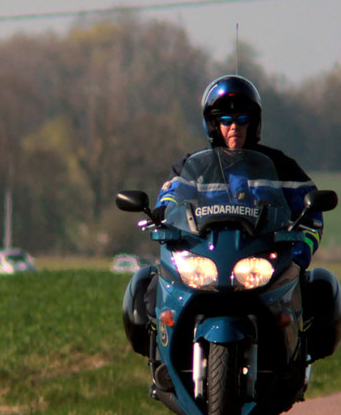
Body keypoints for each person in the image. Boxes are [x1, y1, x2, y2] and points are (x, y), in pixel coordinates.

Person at [123, 75, 324, 356]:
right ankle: (162, 358)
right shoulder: (193, 168)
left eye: (242, 119)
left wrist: (300, 252)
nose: (235, 128)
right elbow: (171, 196)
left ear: (253, 123)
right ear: (213, 124)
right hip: (206, 260)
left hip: (262, 262)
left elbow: (312, 212)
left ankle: (297, 359)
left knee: (320, 289)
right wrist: (162, 213)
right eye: (226, 120)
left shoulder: (282, 168)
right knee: (148, 284)